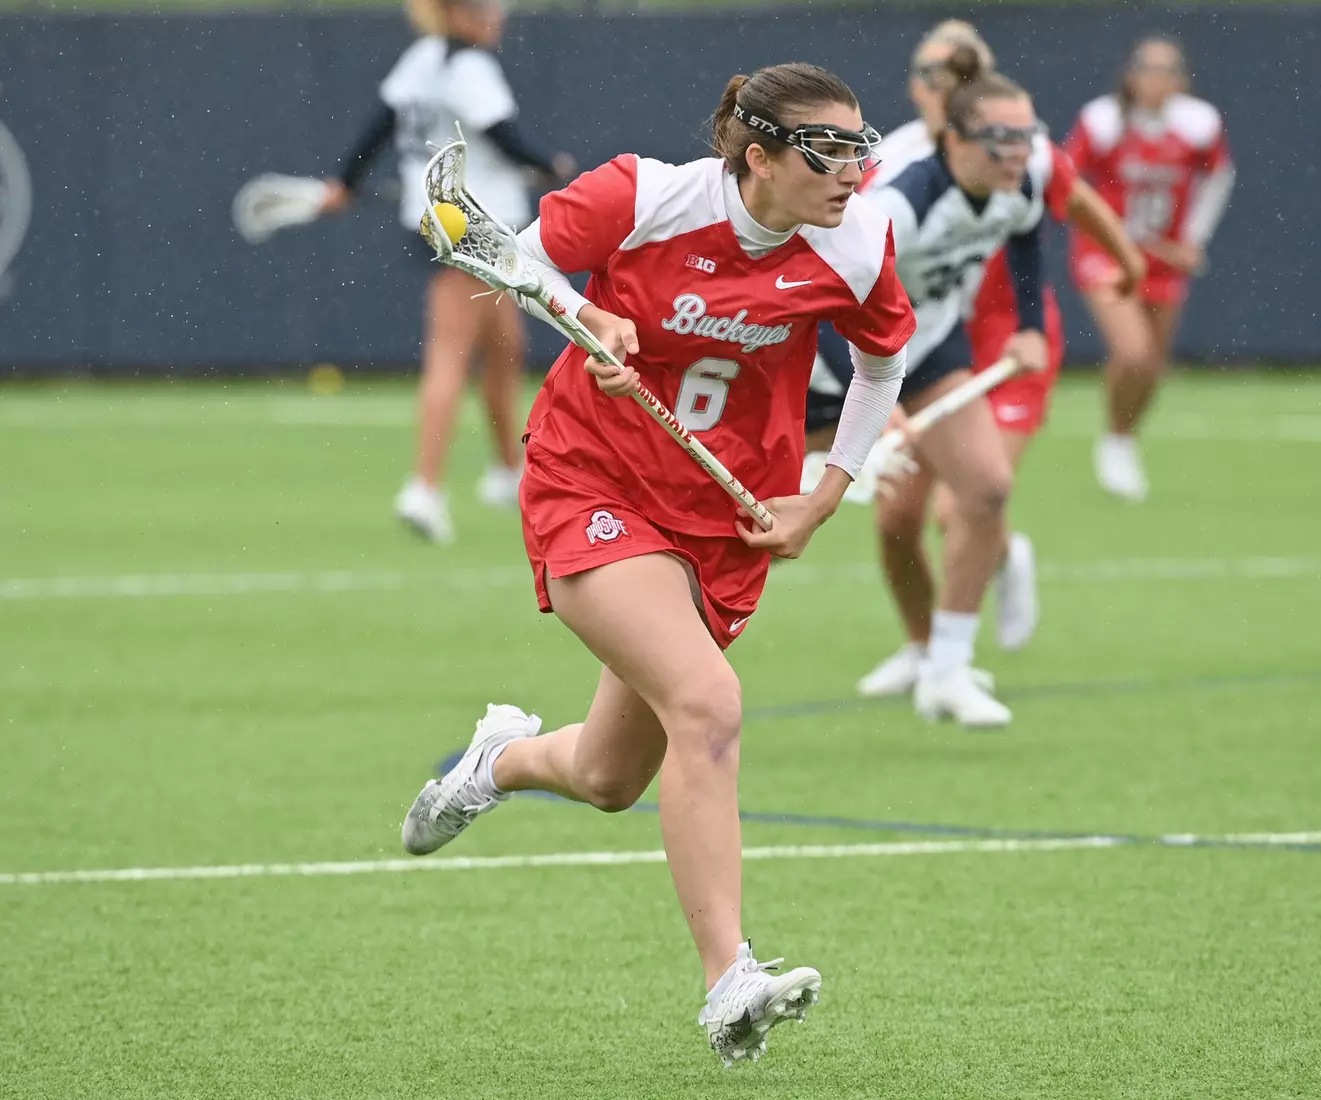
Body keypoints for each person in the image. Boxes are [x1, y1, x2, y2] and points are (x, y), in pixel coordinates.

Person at [397, 63, 915, 1064]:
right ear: (757, 156)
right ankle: (731, 978)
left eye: (861, 145)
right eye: (827, 150)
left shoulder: (856, 244)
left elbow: (881, 362)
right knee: (709, 703)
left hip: (722, 518)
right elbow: (518, 261)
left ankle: (496, 760)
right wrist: (587, 315)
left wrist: (825, 492)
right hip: (595, 482)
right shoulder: (645, 196)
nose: (852, 171)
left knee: (605, 775)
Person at [808, 41, 1143, 720]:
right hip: (833, 355)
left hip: (925, 344)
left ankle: (946, 671)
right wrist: (866, 402)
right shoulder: (896, 204)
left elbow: (1023, 230)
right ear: (955, 137)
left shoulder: (1022, 172)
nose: (1021, 152)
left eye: (1027, 135)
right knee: (825, 518)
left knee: (985, 488)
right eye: (1001, 138)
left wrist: (1026, 320)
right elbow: (820, 305)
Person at [322, 0, 575, 543]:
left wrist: (345, 182)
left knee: (505, 347)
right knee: (451, 354)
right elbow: (503, 134)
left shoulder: (422, 59)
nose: (499, 15)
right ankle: (424, 488)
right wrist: (549, 165)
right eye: (487, 7)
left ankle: (511, 471)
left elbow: (380, 125)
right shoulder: (470, 66)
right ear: (459, 15)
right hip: (472, 223)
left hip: (441, 217)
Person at [1066, 36, 1235, 502]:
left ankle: (1123, 437)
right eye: (1147, 68)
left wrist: (1192, 239)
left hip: (1164, 259)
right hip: (1109, 254)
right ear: (1131, 74)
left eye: (1168, 70)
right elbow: (1068, 180)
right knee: (1134, 352)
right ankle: (1114, 442)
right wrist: (1109, 234)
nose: (1157, 79)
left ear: (1182, 79)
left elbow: (1219, 175)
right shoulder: (1102, 121)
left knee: (1153, 367)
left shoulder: (1198, 123)